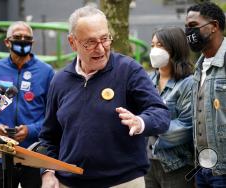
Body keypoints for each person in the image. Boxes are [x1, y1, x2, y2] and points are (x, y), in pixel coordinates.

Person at [39, 5, 170, 188]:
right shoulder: (59, 81)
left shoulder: (129, 70)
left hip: (123, 182)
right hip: (69, 182)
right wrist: (47, 172)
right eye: (90, 42)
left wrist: (140, 122)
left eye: (105, 39)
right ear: (72, 42)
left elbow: (161, 114)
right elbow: (49, 136)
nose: (100, 49)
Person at [0, 21, 54, 188]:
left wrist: (31, 130)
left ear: (32, 43)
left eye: (27, 38)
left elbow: (52, 115)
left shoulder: (47, 72)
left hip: (34, 153)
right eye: (17, 37)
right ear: (7, 42)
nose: (22, 40)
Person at [145, 27, 194, 188]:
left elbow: (186, 126)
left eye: (160, 45)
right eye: (152, 45)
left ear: (175, 48)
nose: (154, 51)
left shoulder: (188, 83)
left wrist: (146, 126)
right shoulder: (146, 81)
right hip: (148, 162)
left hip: (177, 165)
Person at [185, 2, 226, 187]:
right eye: (187, 27)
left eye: (193, 26)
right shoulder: (199, 67)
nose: (188, 33)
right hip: (202, 169)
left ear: (214, 26)